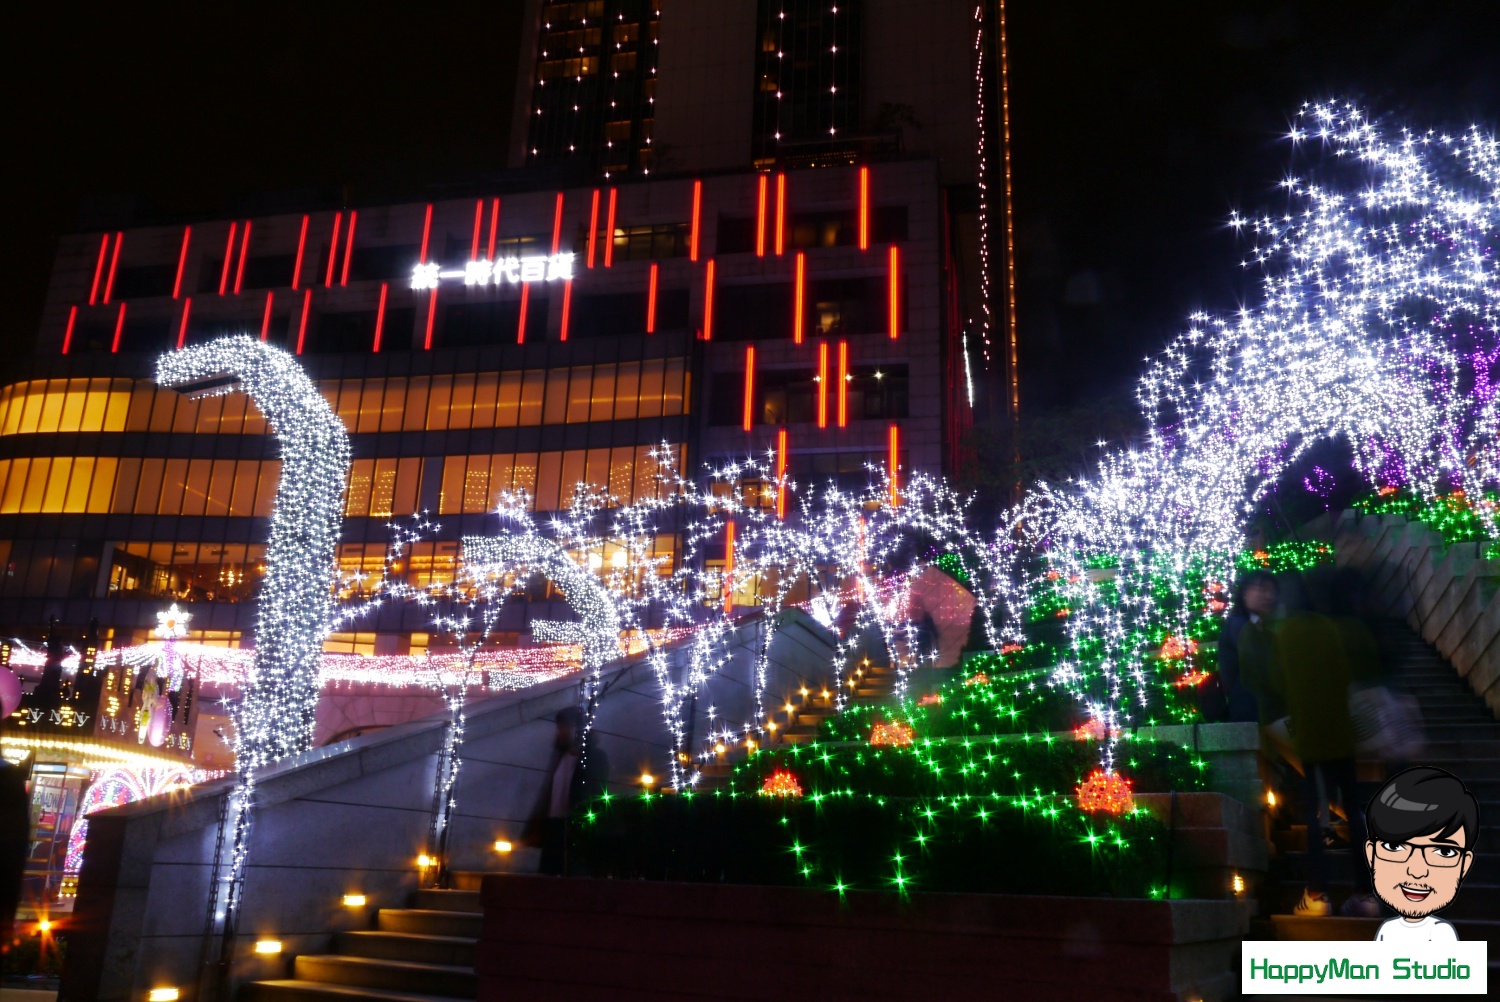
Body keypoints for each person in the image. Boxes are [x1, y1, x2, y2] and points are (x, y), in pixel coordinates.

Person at [1270, 573, 1363, 917]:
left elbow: (1278, 682)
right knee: (1354, 810)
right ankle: (1366, 893)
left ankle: (1317, 893)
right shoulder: (1328, 627)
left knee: (1314, 813)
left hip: (1310, 733)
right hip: (1341, 730)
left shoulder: (1285, 634)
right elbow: (1345, 674)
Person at [1365, 767, 1478, 942]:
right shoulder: (1387, 929)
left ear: (1465, 864)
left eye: (1444, 851)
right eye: (1394, 846)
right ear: (1371, 854)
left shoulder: (1441, 932)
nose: (1417, 871)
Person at [524, 706, 608, 876]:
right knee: (550, 876)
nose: (560, 732)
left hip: (576, 828)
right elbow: (550, 794)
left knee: (572, 876)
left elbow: (594, 794)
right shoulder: (560, 757)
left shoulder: (595, 757)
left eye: (565, 727)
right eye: (559, 727)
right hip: (554, 828)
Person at [1218, 570, 1278, 723]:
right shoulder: (1239, 625)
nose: (1269, 596)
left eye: (1272, 591)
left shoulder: (1260, 623)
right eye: (1262, 589)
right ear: (1245, 593)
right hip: (1250, 711)